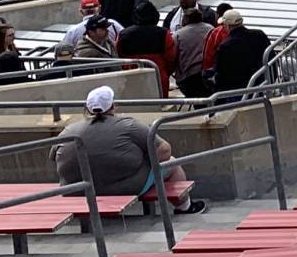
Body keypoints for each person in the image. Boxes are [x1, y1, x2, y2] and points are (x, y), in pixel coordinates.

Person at [54, 86, 202, 212]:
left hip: (76, 191)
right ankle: (185, 207)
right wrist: (145, 161)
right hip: (125, 188)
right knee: (172, 163)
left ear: (86, 109)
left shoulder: (69, 130)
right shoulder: (128, 125)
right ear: (113, 106)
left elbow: (53, 155)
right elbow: (164, 151)